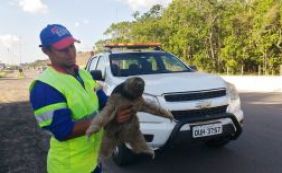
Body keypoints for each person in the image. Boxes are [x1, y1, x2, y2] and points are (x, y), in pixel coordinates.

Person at [29, 24, 133, 173]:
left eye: (72, 46)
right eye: (63, 49)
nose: (71, 53)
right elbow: (63, 131)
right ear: (46, 50)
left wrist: (121, 105)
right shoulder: (44, 87)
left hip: (93, 161)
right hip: (70, 167)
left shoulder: (84, 74)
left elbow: (103, 101)